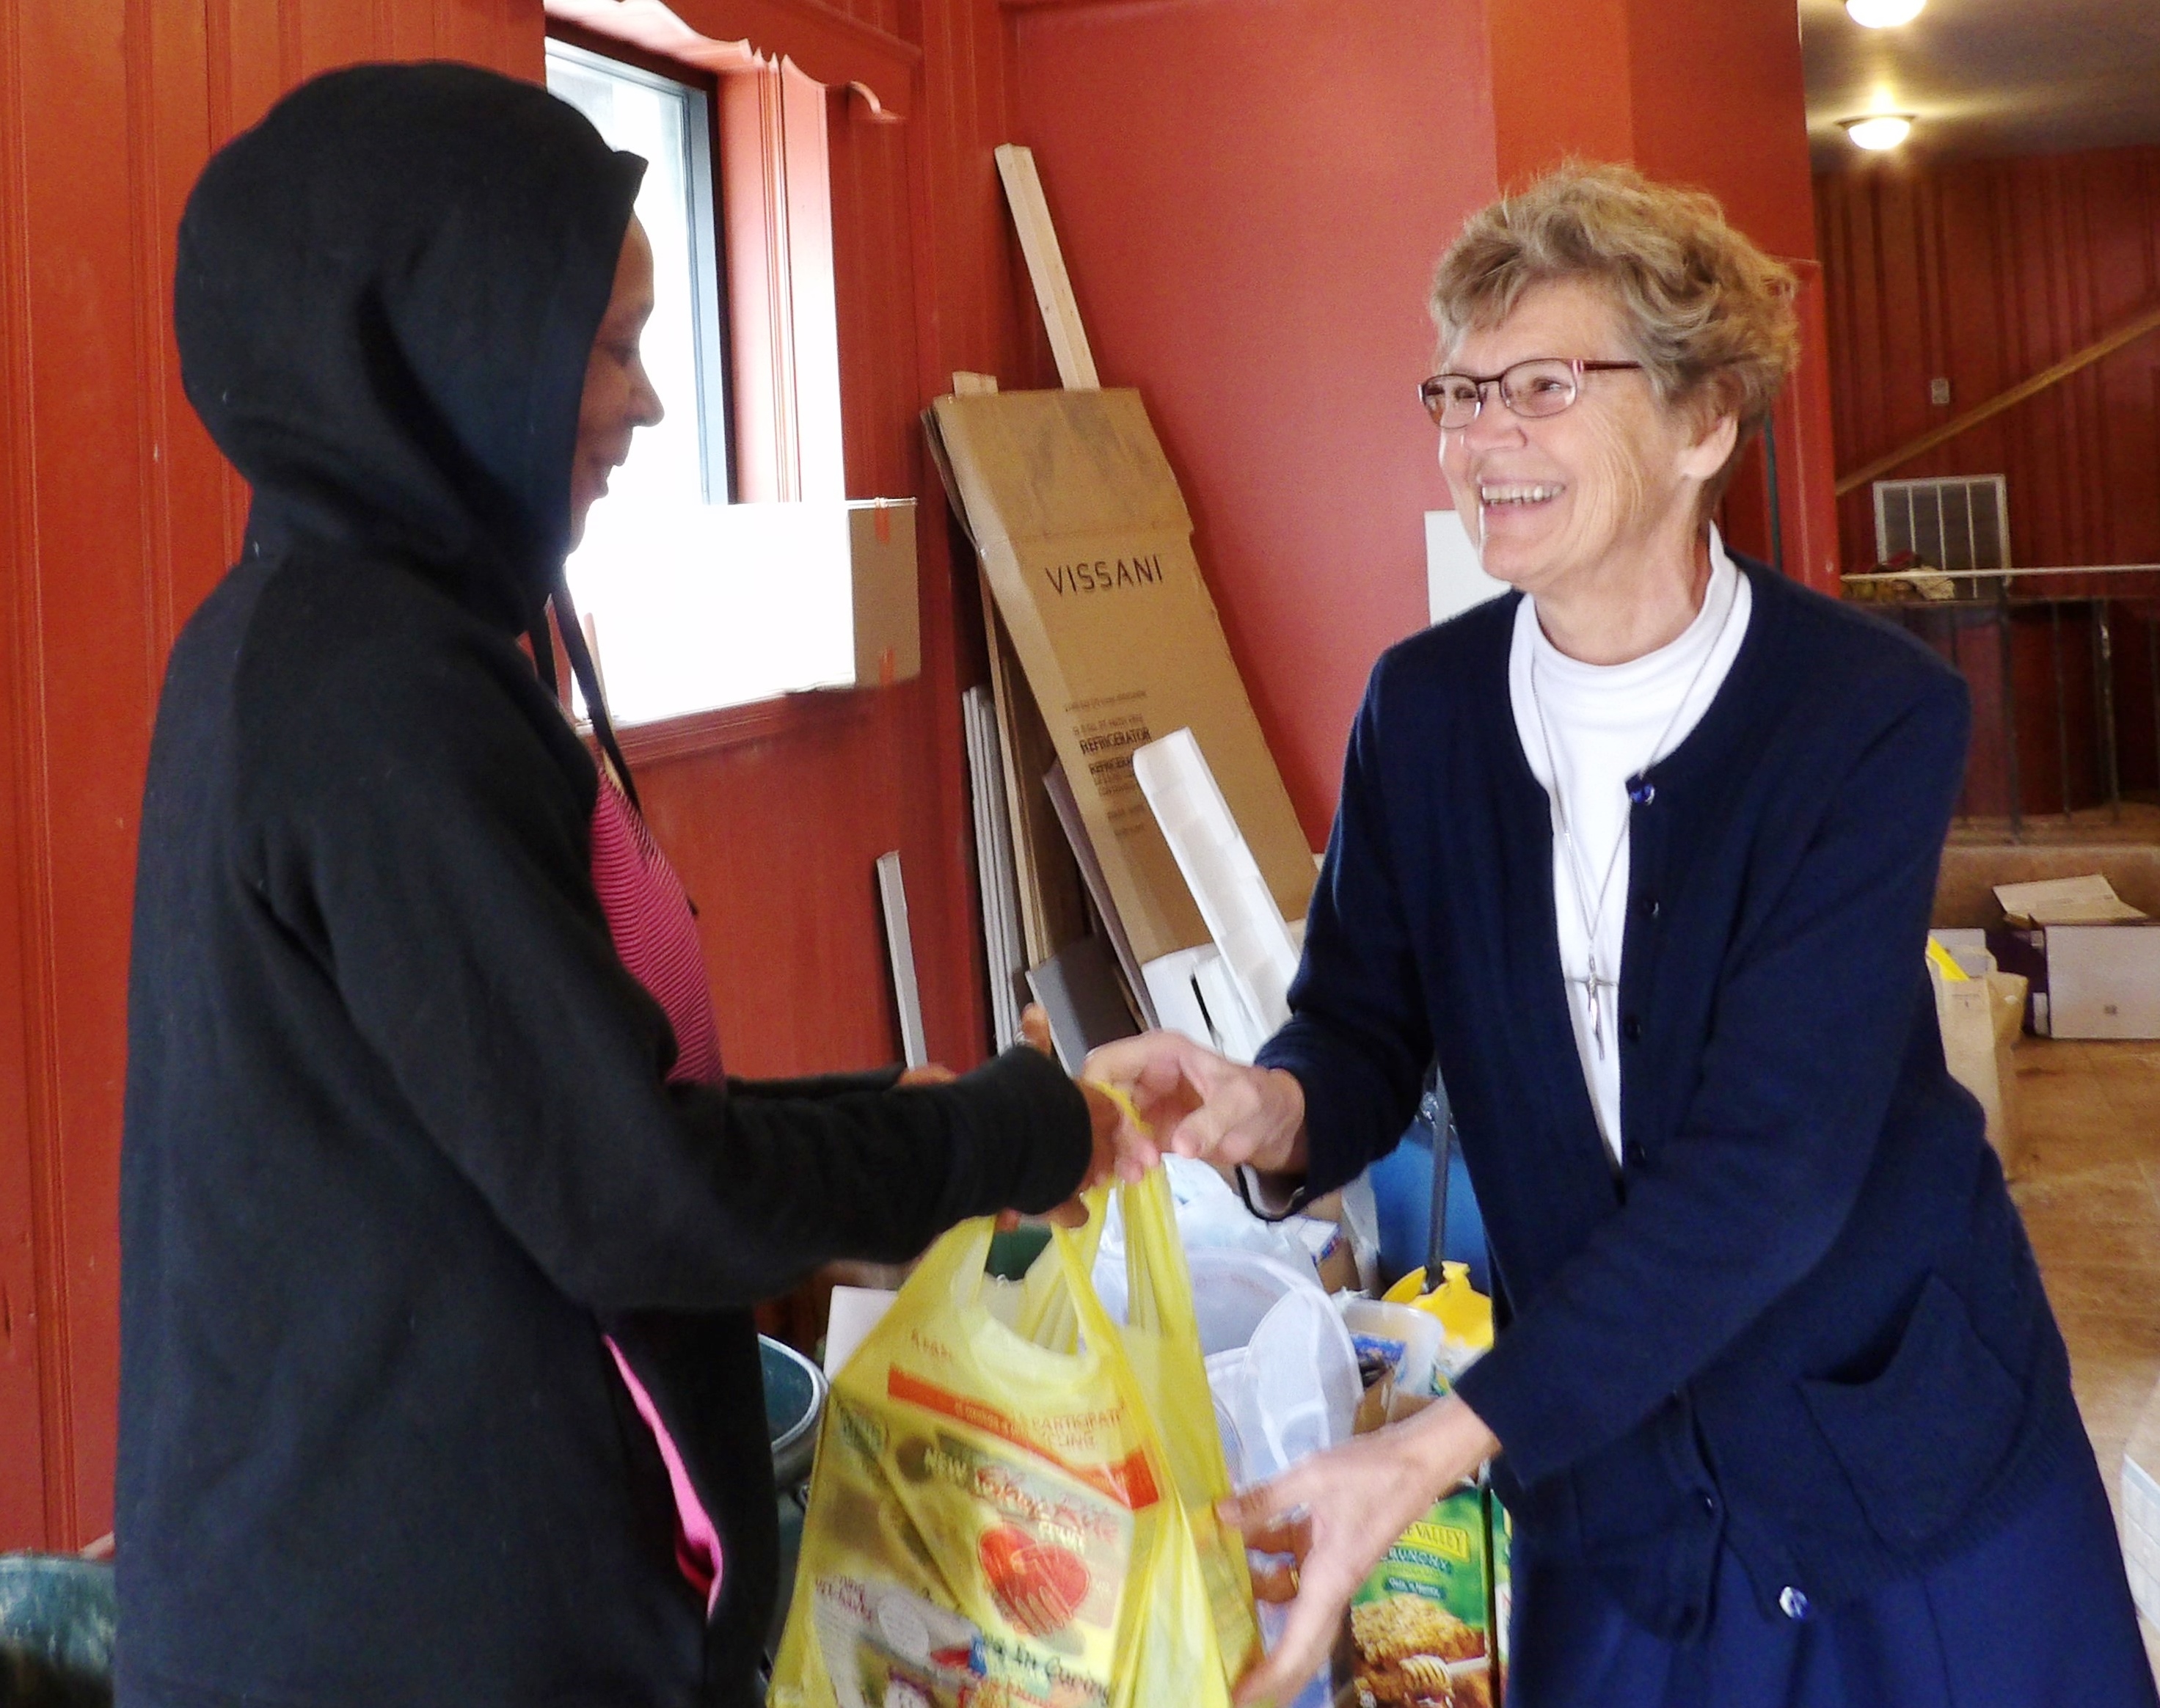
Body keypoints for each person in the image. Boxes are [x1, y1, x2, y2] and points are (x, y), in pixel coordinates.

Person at [119, 63, 1128, 1708]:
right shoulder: (371, 696)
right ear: (443, 346)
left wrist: (910, 1111)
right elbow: (638, 1189)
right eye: (607, 344)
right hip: (402, 1641)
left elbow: (550, 1109)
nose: (651, 402)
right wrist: (1010, 1132)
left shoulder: (351, 636)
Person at [1088, 164, 2159, 1708]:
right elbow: (1364, 1026)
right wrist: (1274, 1105)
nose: (1476, 440)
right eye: (1453, 394)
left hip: (1885, 1447)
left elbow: (1768, 1167)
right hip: (1617, 1475)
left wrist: (1440, 1445)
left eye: (1535, 386)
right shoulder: (1425, 711)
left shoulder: (1861, 715)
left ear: (1699, 420)